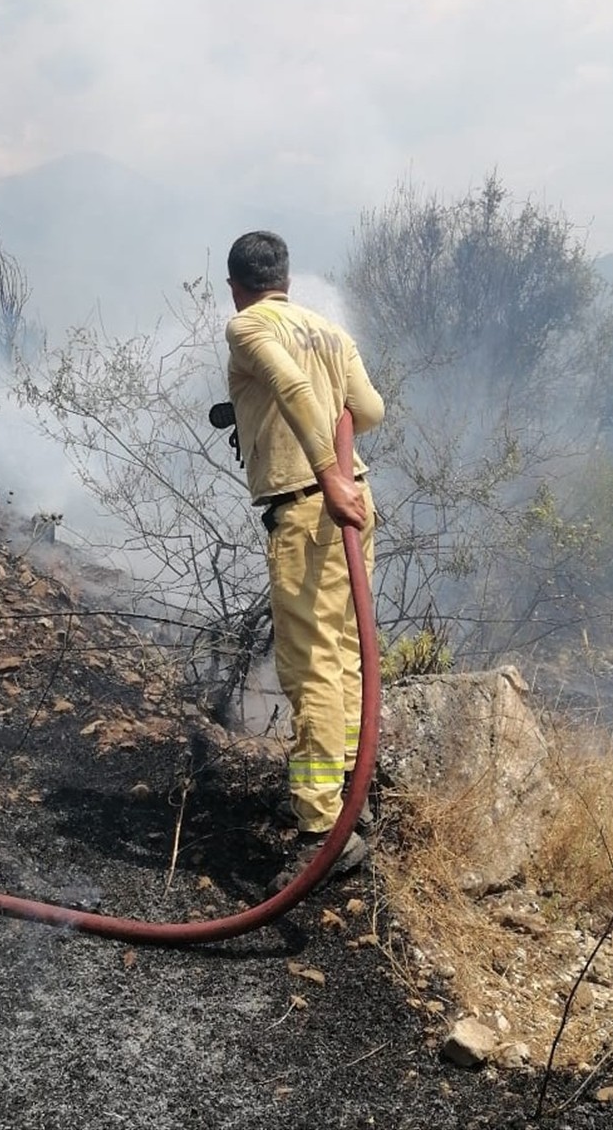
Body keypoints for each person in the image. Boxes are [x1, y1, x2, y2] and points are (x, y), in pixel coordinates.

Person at [222, 230, 385, 892]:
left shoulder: (246, 328)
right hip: (355, 504)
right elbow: (369, 410)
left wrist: (323, 471)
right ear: (285, 278)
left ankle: (323, 832)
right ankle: (353, 797)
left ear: (235, 285)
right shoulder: (327, 329)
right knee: (345, 653)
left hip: (311, 509)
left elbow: (289, 383)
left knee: (310, 664)